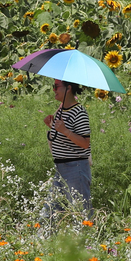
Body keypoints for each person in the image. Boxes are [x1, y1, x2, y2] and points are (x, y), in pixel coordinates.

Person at [43, 78, 92, 221]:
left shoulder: (79, 112)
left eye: (56, 86)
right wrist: (52, 126)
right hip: (61, 168)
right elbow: (63, 137)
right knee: (50, 213)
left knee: (81, 213)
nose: (53, 90)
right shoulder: (61, 110)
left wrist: (64, 130)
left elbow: (85, 143)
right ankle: (42, 241)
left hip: (75, 168)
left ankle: (88, 242)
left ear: (68, 88)